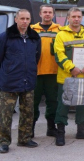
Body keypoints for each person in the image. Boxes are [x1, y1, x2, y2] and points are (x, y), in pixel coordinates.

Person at [54, 7, 84, 146]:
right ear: (68, 18)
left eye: (79, 16)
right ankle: (60, 133)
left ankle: (81, 130)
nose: (76, 19)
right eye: (73, 16)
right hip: (66, 78)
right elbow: (59, 55)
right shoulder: (61, 34)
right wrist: (71, 68)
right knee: (63, 105)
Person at [0, 9, 41, 153]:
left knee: (27, 112)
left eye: (27, 19)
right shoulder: (5, 37)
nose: (25, 21)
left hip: (28, 81)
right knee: (5, 114)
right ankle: (3, 141)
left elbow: (36, 58)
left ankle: (24, 139)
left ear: (30, 20)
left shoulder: (35, 38)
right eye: (22, 18)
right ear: (16, 19)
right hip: (9, 82)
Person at [31, 5, 61, 138]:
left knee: (52, 101)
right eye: (45, 12)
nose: (47, 14)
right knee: (32, 102)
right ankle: (30, 128)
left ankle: (51, 127)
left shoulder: (59, 30)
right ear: (40, 14)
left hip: (53, 72)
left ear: (53, 14)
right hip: (35, 72)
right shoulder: (31, 29)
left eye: (50, 12)